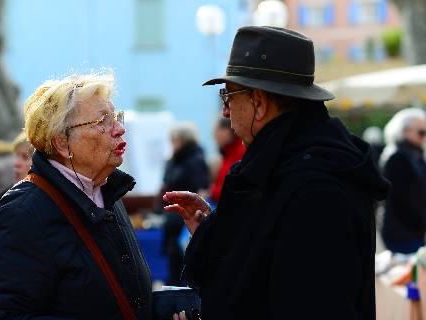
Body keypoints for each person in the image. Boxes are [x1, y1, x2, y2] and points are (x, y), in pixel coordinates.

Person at [164, 26, 390, 320]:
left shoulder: (316, 188)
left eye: (228, 96)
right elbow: (255, 271)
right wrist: (215, 234)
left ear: (258, 102)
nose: (225, 111)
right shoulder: (285, 167)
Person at [0, 73, 152, 319]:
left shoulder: (108, 191)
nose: (119, 129)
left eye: (116, 116)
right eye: (103, 120)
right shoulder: (22, 212)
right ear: (62, 143)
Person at [157, 123, 209, 286]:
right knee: (174, 263)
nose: (172, 142)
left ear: (184, 140)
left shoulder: (195, 160)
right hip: (174, 219)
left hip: (186, 219)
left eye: (175, 139)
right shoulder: (175, 159)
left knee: (185, 263)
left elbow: (201, 190)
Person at [379, 108, 426, 254]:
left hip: (408, 229)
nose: (424, 137)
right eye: (421, 133)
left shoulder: (410, 154)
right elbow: (403, 199)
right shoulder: (398, 156)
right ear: (404, 131)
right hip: (403, 232)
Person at [208, 117, 245, 207]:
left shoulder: (240, 152)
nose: (213, 136)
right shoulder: (228, 151)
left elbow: (231, 189)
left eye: (216, 131)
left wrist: (211, 192)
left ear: (227, 131)